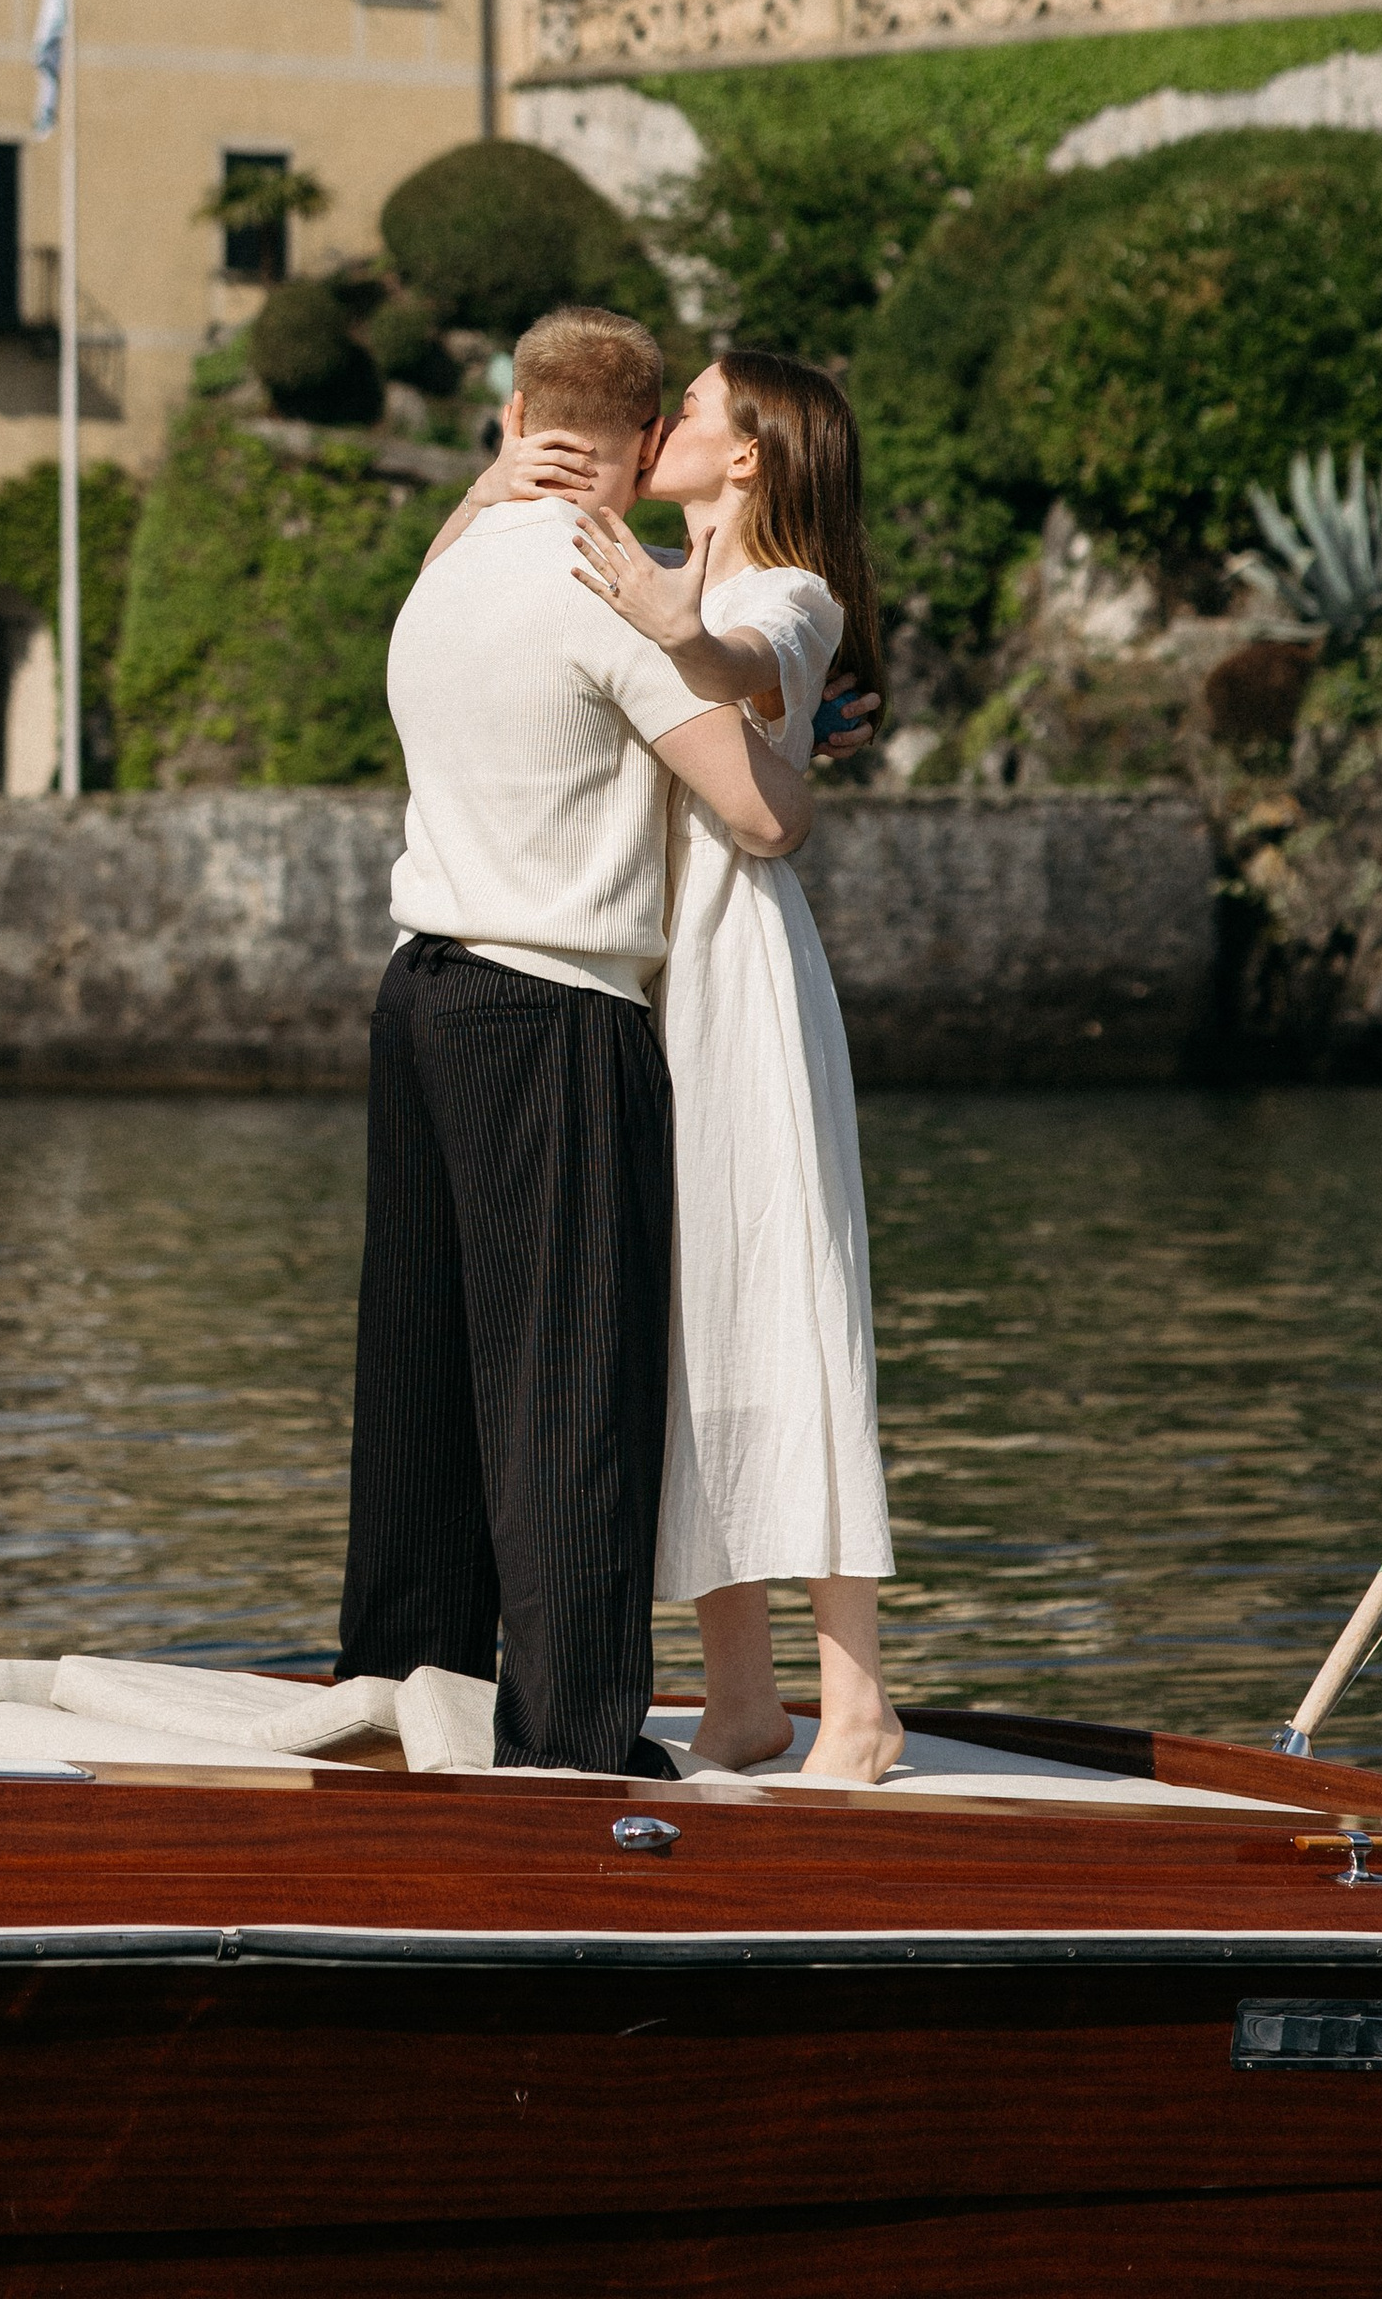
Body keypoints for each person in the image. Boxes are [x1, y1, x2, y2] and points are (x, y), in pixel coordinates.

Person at [336, 305, 820, 1780]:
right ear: (625, 454)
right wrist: (799, 739)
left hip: (418, 991)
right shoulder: (612, 589)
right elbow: (760, 816)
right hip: (553, 1007)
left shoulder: (450, 573)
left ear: (521, 418)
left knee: (421, 1380)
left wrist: (491, 479)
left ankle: (403, 1691)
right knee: (567, 1387)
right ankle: (575, 1744)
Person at [571, 352, 903, 1784]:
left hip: (744, 982)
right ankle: (740, 1697)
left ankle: (861, 1704)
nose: (666, 428)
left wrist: (670, 620)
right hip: (652, 973)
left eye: (691, 411)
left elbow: (742, 666)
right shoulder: (659, 565)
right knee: (688, 1315)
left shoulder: (788, 593)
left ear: (751, 456)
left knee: (789, 1305)